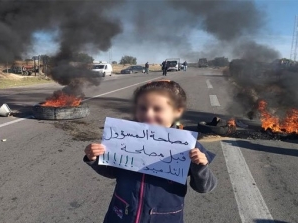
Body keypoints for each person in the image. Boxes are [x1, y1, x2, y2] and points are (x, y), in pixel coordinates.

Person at [83, 80, 217, 223]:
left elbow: (205, 187)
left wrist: (200, 166)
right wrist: (95, 158)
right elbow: (112, 172)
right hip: (122, 214)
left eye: (157, 109)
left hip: (164, 218)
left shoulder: (188, 145)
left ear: (176, 111)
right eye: (143, 108)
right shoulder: (125, 138)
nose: (148, 114)